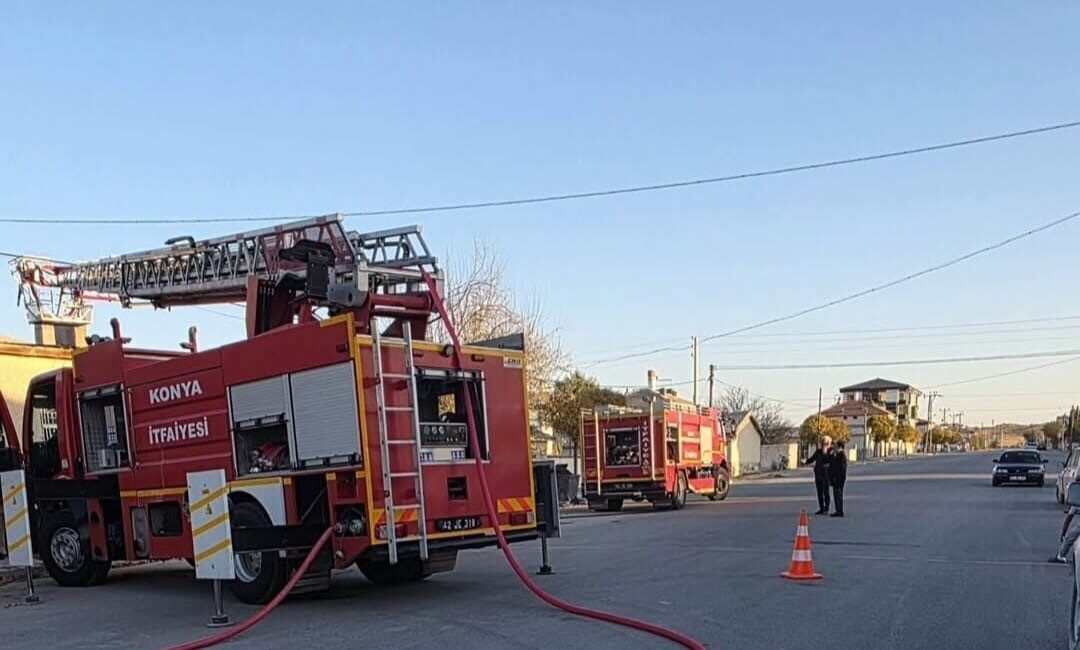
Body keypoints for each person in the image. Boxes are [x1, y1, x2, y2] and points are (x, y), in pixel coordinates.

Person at [804, 436, 832, 515]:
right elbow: (812, 459)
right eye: (822, 443)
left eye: (826, 443)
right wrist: (806, 461)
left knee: (826, 492)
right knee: (819, 492)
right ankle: (821, 508)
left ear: (829, 443)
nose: (823, 445)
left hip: (826, 475)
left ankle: (826, 508)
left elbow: (830, 462)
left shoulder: (830, 452)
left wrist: (825, 452)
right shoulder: (818, 452)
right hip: (818, 475)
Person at [1051, 495, 1080, 563]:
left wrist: (1063, 533)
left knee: (1070, 537)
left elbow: (1068, 519)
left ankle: (1061, 556)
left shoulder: (1077, 502)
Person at [828, 440, 848, 517]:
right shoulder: (836, 455)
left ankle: (840, 511)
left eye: (836, 446)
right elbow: (831, 463)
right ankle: (838, 510)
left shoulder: (842, 456)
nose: (834, 447)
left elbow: (842, 469)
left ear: (839, 447)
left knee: (838, 495)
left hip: (839, 479)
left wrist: (838, 478)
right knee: (836, 495)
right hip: (835, 479)